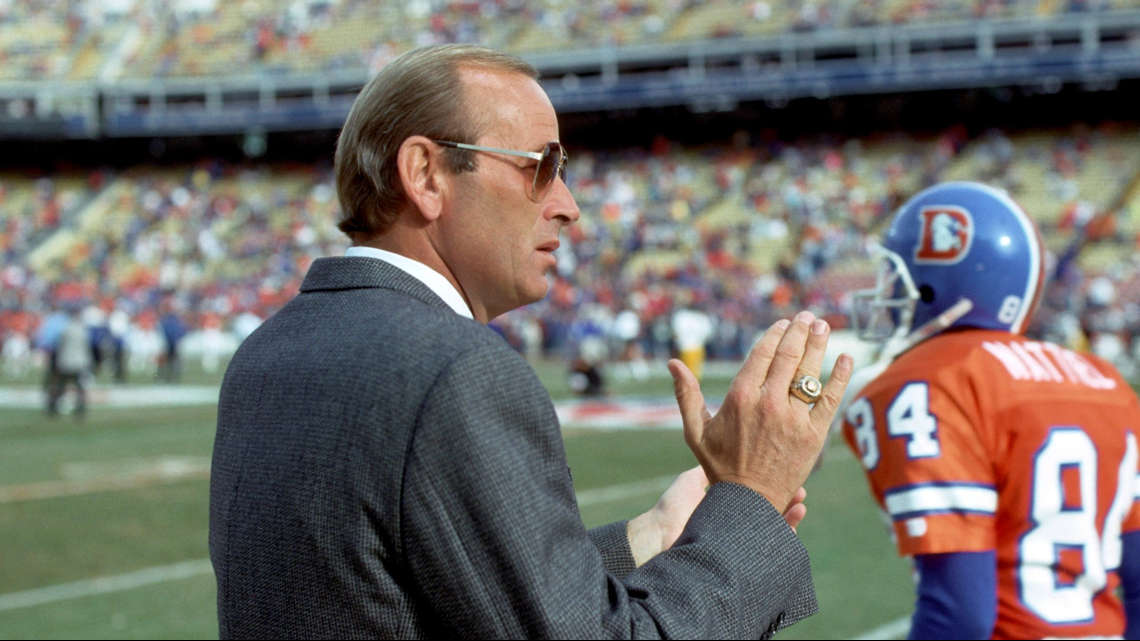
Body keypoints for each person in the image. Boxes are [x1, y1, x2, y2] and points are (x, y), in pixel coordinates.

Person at [210, 44, 852, 639]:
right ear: (426, 174)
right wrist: (754, 497)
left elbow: (426, 587)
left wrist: (648, 536)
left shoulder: (269, 350)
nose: (569, 204)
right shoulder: (457, 370)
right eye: (542, 166)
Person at [840, 181, 1140, 639]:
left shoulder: (927, 379)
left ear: (934, 284)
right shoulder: (1104, 380)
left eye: (896, 277)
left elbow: (960, 616)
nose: (886, 292)